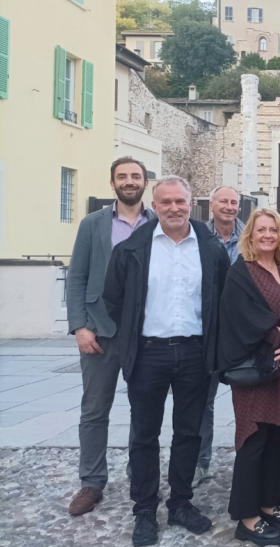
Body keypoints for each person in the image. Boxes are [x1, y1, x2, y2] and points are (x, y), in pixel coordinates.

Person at [103, 176, 231, 547]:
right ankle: (144, 510)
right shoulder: (133, 249)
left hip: (194, 352)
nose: (174, 208)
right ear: (154, 206)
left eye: (180, 201)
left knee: (189, 432)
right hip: (148, 353)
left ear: (193, 204)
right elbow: (114, 300)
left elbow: (221, 298)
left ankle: (180, 503)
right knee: (144, 435)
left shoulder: (210, 249)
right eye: (166, 202)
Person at [66, 157, 155, 516]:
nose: (129, 181)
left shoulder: (158, 223)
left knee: (144, 411)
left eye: (135, 176)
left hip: (145, 333)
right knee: (94, 410)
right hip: (100, 331)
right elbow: (77, 277)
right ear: (113, 183)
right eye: (123, 176)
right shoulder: (93, 224)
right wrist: (80, 326)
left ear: (145, 182)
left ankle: (140, 474)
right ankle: (91, 481)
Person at [217, 209, 280, 546]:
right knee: (254, 440)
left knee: (279, 440)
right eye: (261, 230)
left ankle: (270, 504)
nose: (267, 235)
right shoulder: (242, 272)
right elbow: (245, 318)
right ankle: (247, 517)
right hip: (257, 371)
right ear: (251, 235)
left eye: (273, 229)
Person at [195, 185, 247, 488]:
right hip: (207, 331)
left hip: (241, 331)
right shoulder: (198, 236)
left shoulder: (250, 235)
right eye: (223, 201)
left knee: (250, 397)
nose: (229, 206)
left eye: (234, 202)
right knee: (203, 401)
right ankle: (200, 463)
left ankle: (251, 463)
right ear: (211, 205)